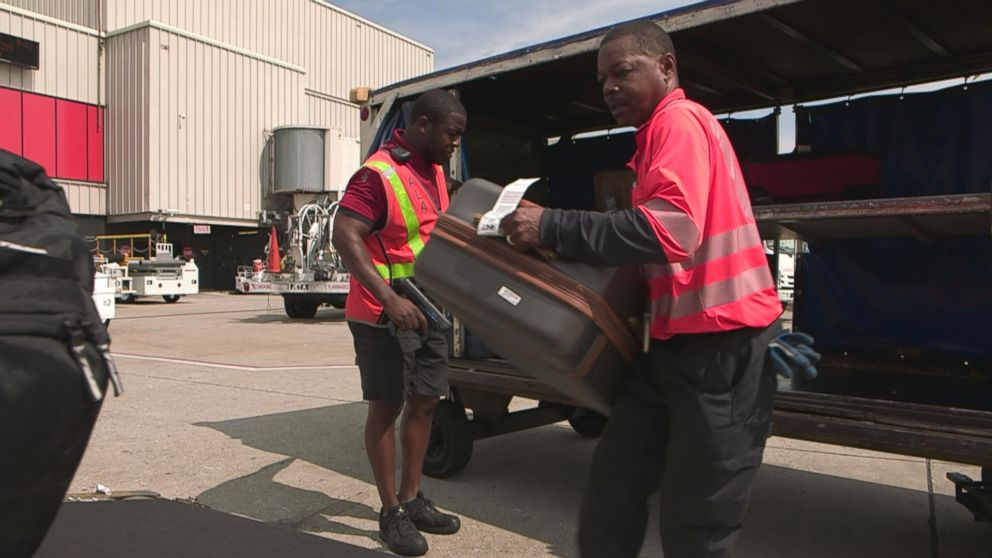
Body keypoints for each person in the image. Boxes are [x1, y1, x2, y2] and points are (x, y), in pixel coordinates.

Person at [501, 21, 783, 558]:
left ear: (666, 68)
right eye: (602, 79)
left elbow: (671, 230)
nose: (608, 88)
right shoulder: (653, 141)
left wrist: (553, 226)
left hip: (725, 353)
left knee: (697, 526)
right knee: (612, 488)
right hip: (670, 350)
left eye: (622, 72)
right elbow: (648, 253)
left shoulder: (678, 122)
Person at [333, 89, 467, 557]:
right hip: (381, 312)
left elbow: (427, 237)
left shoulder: (434, 171)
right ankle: (389, 511)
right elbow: (344, 235)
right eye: (452, 134)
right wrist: (389, 299)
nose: (456, 143)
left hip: (427, 308)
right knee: (387, 407)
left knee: (427, 401)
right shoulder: (377, 175)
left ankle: (412, 499)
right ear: (424, 125)